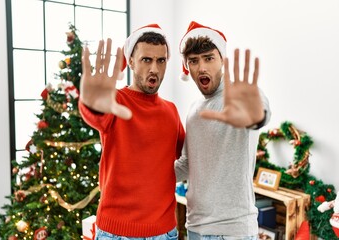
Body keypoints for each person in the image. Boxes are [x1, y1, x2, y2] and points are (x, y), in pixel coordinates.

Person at [79, 24, 185, 239]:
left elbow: (191, 158)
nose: (154, 68)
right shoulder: (115, 101)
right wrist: (90, 103)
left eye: (161, 60)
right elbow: (96, 114)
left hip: (165, 233)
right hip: (116, 233)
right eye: (147, 60)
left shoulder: (171, 111)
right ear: (131, 62)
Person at [175, 21, 271, 240]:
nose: (201, 67)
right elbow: (186, 166)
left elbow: (259, 112)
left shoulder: (240, 93)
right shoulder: (193, 110)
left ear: (222, 60)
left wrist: (255, 116)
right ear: (187, 67)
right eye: (193, 61)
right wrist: (143, 175)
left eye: (209, 58)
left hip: (233, 231)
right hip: (196, 228)